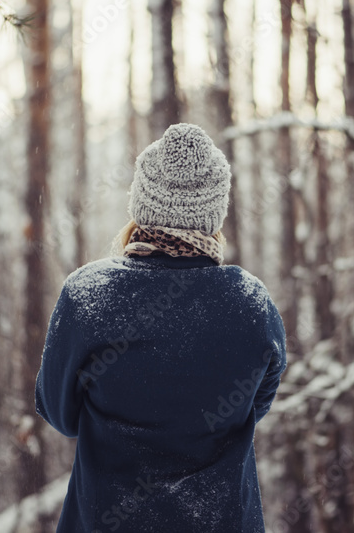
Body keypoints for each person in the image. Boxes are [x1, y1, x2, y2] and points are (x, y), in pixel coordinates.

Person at [35, 122, 288, 532]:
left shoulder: (88, 295)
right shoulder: (250, 303)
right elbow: (255, 406)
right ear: (213, 214)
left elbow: (59, 414)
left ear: (141, 204)